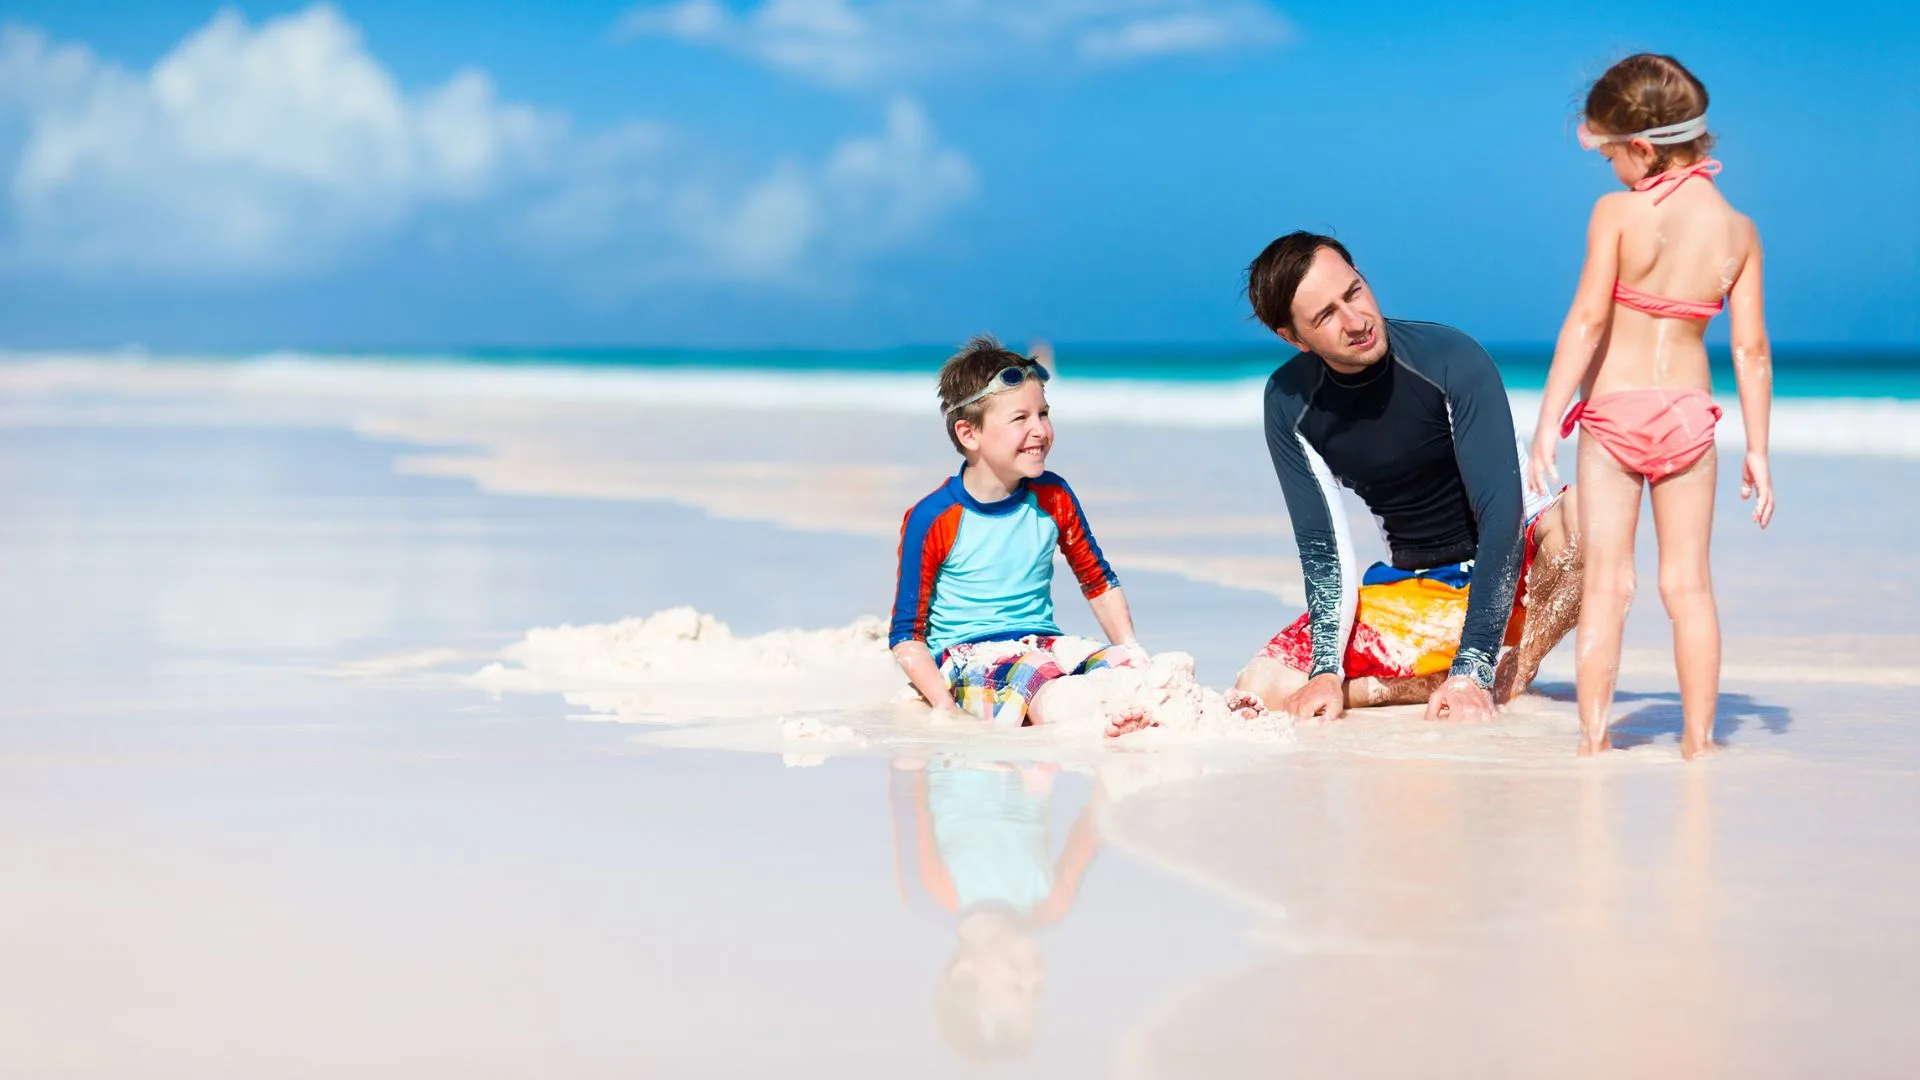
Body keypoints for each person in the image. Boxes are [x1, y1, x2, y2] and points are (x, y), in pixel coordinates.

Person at [1526, 53, 1773, 759]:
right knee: (1688, 586)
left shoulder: (1618, 214)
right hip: (1690, 419)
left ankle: (1594, 739)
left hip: (1613, 415)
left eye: (1608, 153)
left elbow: (1587, 321)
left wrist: (1547, 422)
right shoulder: (1738, 231)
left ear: (1640, 147)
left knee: (1607, 584)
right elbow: (1751, 350)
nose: (1608, 168)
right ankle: (1700, 740)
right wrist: (1758, 449)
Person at [1232, 233, 1584, 723]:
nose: (1356, 321)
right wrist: (1326, 670)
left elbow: (1501, 517)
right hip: (1421, 593)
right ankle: (1433, 682)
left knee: (1588, 515)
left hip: (1521, 575)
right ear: (1293, 338)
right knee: (1261, 686)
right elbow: (1324, 551)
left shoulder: (1451, 357)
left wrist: (1474, 666)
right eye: (1326, 315)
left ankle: (1511, 671)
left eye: (1353, 292)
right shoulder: (1290, 403)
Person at [889, 335, 1153, 737]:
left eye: (1043, 414)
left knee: (1127, 668)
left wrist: (1131, 650)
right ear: (969, 434)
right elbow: (906, 635)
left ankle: (1122, 709)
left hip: (1042, 644)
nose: (1040, 430)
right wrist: (943, 704)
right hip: (969, 657)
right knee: (1041, 679)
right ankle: (1097, 723)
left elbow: (1097, 580)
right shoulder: (933, 517)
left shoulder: (1053, 496)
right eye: (1020, 419)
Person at [889, 755, 1100, 1062]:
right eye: (1036, 991)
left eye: (1016, 987)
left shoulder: (929, 894)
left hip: (956, 745)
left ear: (965, 974)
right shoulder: (1050, 906)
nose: (1034, 976)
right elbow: (1100, 816)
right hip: (1029, 742)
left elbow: (907, 777)